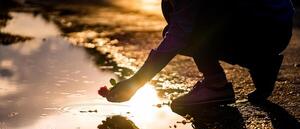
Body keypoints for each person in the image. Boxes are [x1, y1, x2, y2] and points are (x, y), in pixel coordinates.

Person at [107, 0, 295, 107]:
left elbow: (179, 35)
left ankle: (216, 85)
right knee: (174, 11)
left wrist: (135, 82)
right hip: (276, 26)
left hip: (265, 28)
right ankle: (261, 63)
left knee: (180, 26)